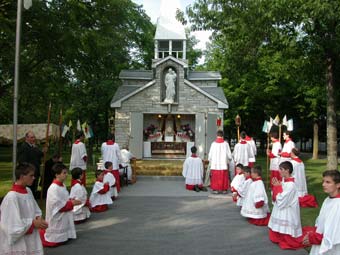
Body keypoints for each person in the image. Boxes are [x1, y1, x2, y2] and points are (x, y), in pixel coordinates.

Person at [0, 163, 48, 255]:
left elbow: (36, 210)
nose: (34, 178)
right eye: (31, 175)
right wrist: (32, 223)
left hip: (30, 236)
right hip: (18, 242)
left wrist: (39, 218)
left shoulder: (28, 191)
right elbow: (11, 225)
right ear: (22, 176)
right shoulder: (12, 197)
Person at [40, 163, 81, 247]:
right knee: (55, 240)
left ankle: (65, 235)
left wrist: (70, 201)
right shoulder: (53, 188)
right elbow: (56, 205)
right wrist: (71, 203)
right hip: (57, 216)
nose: (66, 175)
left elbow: (64, 200)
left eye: (66, 173)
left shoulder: (63, 186)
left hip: (65, 213)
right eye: (64, 173)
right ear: (56, 175)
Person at [302, 170, 340, 254]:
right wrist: (313, 234)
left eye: (328, 182)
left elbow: (332, 232)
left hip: (330, 246)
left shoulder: (338, 205)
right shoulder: (327, 199)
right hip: (319, 240)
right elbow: (321, 221)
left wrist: (312, 238)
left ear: (337, 185)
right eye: (323, 181)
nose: (323, 184)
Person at [268, 161, 303, 250]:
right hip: (282, 206)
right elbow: (278, 195)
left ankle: (286, 237)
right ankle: (278, 235)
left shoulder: (291, 185)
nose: (279, 171)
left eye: (281, 169)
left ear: (287, 170)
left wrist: (277, 187)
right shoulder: (284, 181)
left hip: (288, 209)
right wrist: (277, 186)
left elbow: (282, 200)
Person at [17, 131, 44, 198]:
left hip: (35, 172)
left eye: (34, 137)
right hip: (29, 173)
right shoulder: (24, 147)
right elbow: (22, 161)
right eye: (32, 137)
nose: (33, 139)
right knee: (29, 190)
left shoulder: (33, 146)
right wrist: (27, 172)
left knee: (33, 190)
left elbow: (39, 154)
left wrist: (43, 151)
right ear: (26, 138)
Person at [208, 130, 232, 194]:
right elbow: (229, 155)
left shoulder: (213, 144)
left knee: (215, 177)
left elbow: (210, 155)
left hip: (215, 164)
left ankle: (215, 189)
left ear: (217, 135)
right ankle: (224, 189)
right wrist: (229, 159)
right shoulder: (226, 144)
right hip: (223, 163)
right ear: (222, 135)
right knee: (223, 176)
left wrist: (210, 160)